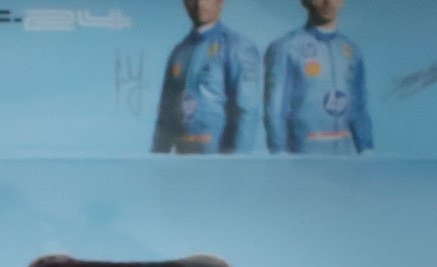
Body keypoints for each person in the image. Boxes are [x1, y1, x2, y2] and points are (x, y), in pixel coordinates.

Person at [265, 0, 373, 155]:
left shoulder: (351, 50)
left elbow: (359, 108)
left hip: (346, 155)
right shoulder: (286, 47)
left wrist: (366, 148)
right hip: (302, 154)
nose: (328, 2)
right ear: (304, 2)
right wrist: (279, 152)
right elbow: (275, 109)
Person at [152, 0, 261, 155]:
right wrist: (158, 158)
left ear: (220, 2)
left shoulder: (237, 47)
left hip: (218, 161)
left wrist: (236, 163)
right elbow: (165, 114)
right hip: (182, 160)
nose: (199, 4)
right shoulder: (179, 52)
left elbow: (246, 112)